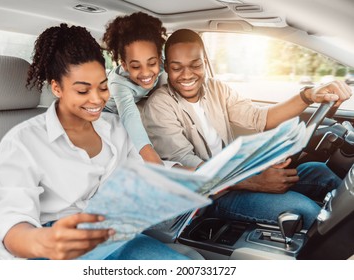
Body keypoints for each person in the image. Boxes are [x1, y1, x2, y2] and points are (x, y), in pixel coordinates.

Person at [0, 23, 190, 260]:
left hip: (116, 235)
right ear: (56, 88)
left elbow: (148, 170)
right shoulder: (23, 141)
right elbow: (11, 220)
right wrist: (43, 241)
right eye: (83, 91)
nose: (97, 99)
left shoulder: (115, 128)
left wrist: (205, 175)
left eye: (103, 87)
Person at [142, 29, 352, 229]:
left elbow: (259, 118)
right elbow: (193, 174)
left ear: (205, 63)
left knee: (319, 172)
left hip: (237, 174)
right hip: (211, 197)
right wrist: (254, 181)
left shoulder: (216, 88)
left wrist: (308, 96)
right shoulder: (159, 106)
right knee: (307, 212)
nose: (187, 75)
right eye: (177, 67)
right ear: (166, 66)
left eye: (195, 65)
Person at [102, 12, 166, 164]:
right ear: (124, 65)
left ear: (159, 58)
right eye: (136, 66)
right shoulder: (118, 83)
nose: (145, 72)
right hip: (108, 113)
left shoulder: (163, 66)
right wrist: (151, 158)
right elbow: (129, 116)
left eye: (151, 63)